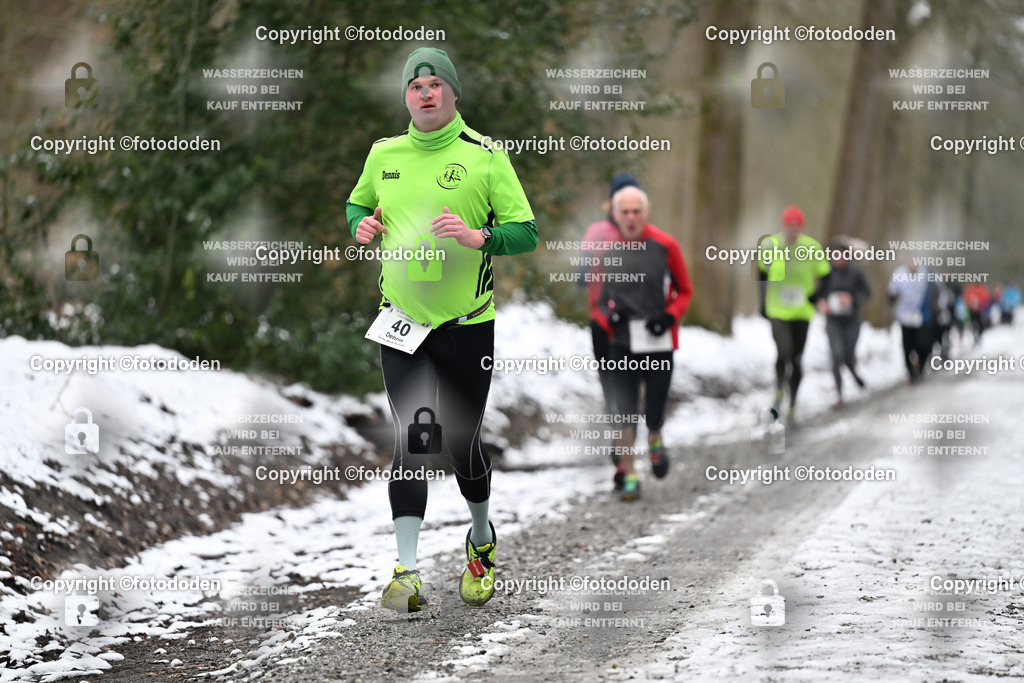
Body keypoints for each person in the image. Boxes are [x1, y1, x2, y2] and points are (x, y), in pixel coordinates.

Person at [347, 47, 537, 612]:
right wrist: (362, 227)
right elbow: (357, 205)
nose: (425, 92)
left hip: (467, 328)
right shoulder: (384, 154)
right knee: (412, 437)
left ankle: (480, 538)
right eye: (415, 85)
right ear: (406, 97)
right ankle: (406, 572)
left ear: (453, 93)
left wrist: (482, 238)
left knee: (460, 444)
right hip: (403, 325)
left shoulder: (485, 156)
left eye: (435, 83)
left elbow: (526, 231)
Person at [594, 186, 693, 501]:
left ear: (646, 213)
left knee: (653, 410)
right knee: (624, 412)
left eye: (636, 211)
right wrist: (611, 317)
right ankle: (631, 474)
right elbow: (599, 301)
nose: (631, 218)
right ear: (615, 215)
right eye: (625, 212)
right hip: (622, 344)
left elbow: (685, 291)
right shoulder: (608, 251)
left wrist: (669, 316)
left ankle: (655, 438)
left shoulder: (665, 246)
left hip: (658, 342)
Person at [580, 173, 641, 490]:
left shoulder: (600, 232)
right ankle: (622, 454)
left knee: (621, 390)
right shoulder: (606, 232)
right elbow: (580, 274)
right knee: (621, 390)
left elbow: (579, 275)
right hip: (614, 325)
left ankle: (621, 455)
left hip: (622, 324)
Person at [758, 206, 830, 423]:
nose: (791, 230)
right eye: (788, 226)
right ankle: (779, 391)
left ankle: (794, 398)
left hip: (802, 313)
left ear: (801, 227)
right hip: (777, 310)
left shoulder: (812, 247)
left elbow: (826, 275)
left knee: (797, 358)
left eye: (795, 226)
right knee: (784, 351)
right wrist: (762, 303)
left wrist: (817, 296)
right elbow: (761, 273)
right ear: (783, 226)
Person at [813, 239, 871, 408]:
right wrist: (821, 303)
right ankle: (839, 395)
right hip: (833, 321)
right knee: (836, 355)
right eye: (834, 256)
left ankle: (855, 375)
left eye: (840, 256)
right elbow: (817, 294)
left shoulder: (856, 272)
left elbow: (867, 292)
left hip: (852, 321)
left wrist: (852, 299)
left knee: (848, 356)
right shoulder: (827, 273)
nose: (837, 259)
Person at [887, 259, 935, 383]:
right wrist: (893, 297)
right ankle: (911, 373)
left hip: (922, 316)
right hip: (905, 317)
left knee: (923, 345)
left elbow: (934, 290)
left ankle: (921, 368)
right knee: (908, 346)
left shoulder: (926, 273)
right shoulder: (899, 273)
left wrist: (933, 305)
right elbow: (891, 292)